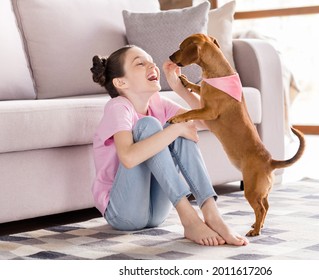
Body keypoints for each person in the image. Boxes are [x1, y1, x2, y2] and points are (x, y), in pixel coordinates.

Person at [90, 45, 248, 246]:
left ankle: (211, 212)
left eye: (151, 61)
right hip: (123, 213)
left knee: (183, 121)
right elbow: (128, 158)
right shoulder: (118, 107)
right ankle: (188, 217)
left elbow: (210, 121)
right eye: (140, 63)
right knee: (150, 125)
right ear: (121, 82)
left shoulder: (158, 102)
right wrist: (175, 129)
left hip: (157, 212)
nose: (152, 65)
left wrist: (180, 88)